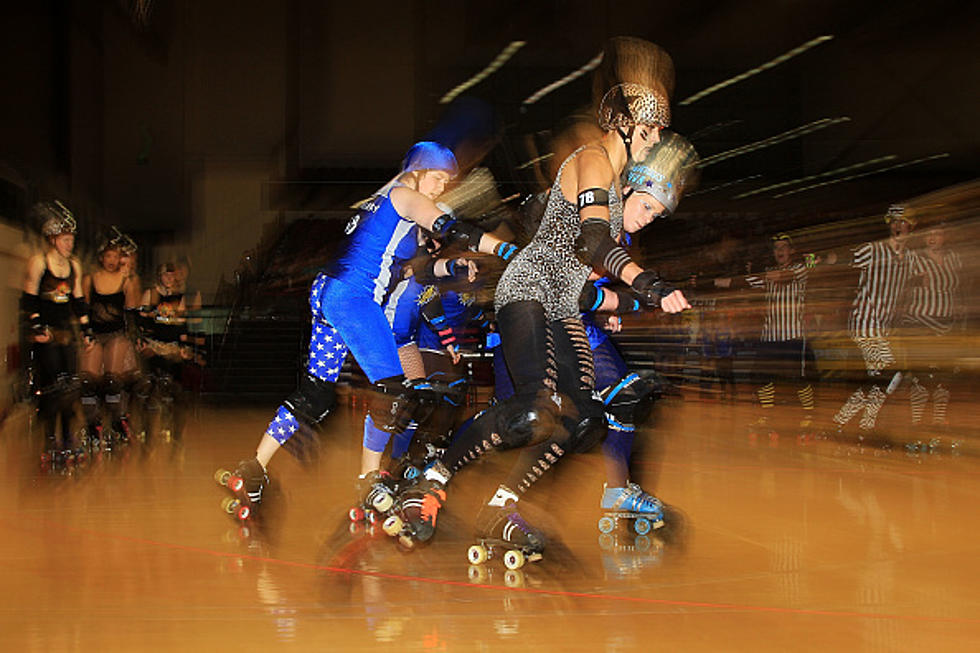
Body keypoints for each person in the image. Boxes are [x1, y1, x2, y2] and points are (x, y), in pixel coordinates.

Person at [403, 50, 691, 555]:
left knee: (584, 420)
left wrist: (627, 305)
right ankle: (430, 479)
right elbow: (600, 244)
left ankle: (499, 507)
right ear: (623, 127)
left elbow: (580, 277)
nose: (652, 143)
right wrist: (651, 285)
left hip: (559, 299)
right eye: (647, 133)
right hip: (528, 288)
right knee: (528, 412)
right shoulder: (593, 161)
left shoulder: (616, 186)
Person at [223, 141, 517, 514]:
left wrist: (454, 267)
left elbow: (418, 270)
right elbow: (451, 228)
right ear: (417, 171)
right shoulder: (405, 196)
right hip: (353, 299)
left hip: (328, 293)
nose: (441, 187)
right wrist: (505, 251)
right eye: (438, 179)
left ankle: (254, 467)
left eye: (446, 182)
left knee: (316, 393)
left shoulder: (385, 207)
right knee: (395, 391)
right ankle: (369, 479)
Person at [829, 204, 915, 439]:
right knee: (890, 372)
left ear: (911, 226)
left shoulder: (910, 258)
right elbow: (843, 257)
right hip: (864, 321)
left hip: (883, 327)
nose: (897, 226)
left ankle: (847, 422)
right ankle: (859, 425)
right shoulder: (873, 250)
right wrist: (818, 259)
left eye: (902, 221)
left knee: (879, 380)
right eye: (894, 221)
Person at [22, 200, 93, 466]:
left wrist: (86, 330)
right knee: (54, 387)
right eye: (65, 239)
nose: (69, 244)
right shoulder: (39, 263)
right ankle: (50, 438)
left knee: (71, 387)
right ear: (53, 238)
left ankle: (66, 436)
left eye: (71, 239)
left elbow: (78, 301)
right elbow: (29, 298)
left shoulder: (74, 266)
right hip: (46, 334)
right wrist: (36, 325)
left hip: (66, 333)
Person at [902, 219, 964, 440]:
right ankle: (917, 422)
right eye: (929, 233)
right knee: (920, 377)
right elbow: (899, 284)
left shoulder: (954, 259)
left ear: (945, 236)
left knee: (942, 377)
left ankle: (938, 421)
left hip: (946, 324)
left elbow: (961, 288)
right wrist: (916, 282)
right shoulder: (914, 258)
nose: (932, 237)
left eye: (937, 233)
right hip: (920, 322)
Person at [79, 229, 141, 448]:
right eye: (108, 256)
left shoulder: (127, 281)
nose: (112, 261)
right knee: (88, 381)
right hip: (95, 333)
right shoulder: (90, 279)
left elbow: (132, 312)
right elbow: (83, 309)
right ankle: (92, 423)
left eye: (116, 256)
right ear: (101, 257)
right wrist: (84, 333)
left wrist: (135, 338)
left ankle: (116, 420)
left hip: (117, 334)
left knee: (112, 382)